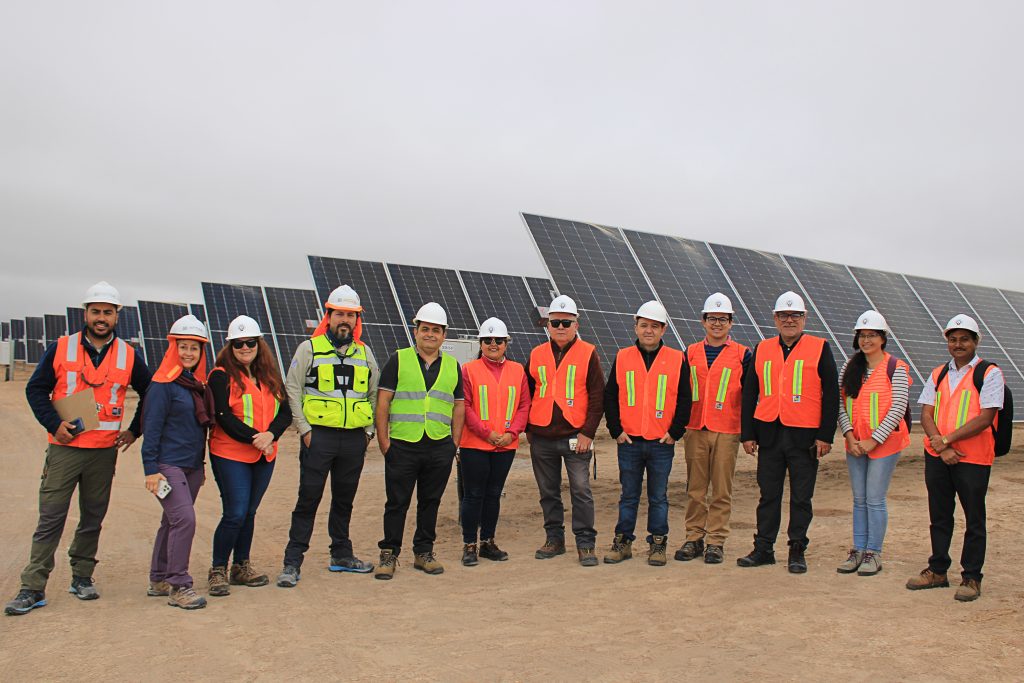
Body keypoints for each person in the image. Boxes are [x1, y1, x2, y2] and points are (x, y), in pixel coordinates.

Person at [6, 282, 151, 617]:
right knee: (51, 516)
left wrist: (134, 430)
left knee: (92, 517)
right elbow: (36, 389)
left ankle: (82, 577)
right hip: (65, 448)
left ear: (117, 315)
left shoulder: (128, 355)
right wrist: (53, 424)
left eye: (108, 312)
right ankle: (32, 586)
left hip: (103, 452)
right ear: (85, 313)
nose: (101, 318)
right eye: (96, 311)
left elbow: (150, 393)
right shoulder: (61, 348)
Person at [278, 285, 379, 587]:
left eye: (350, 315)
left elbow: (374, 393)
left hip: (353, 440)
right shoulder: (308, 348)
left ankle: (342, 554)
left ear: (356, 319)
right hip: (318, 437)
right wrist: (304, 430)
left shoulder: (365, 353)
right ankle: (292, 562)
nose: (345, 320)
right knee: (308, 499)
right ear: (329, 316)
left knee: (344, 499)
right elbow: (292, 390)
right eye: (340, 314)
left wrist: (369, 432)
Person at [738, 291, 839, 573]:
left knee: (801, 497)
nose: (790, 320)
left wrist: (825, 435)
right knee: (768, 494)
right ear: (775, 319)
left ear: (805, 318)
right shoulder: (762, 348)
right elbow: (750, 392)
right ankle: (763, 548)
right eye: (784, 315)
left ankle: (796, 549)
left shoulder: (820, 347)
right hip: (769, 433)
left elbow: (831, 394)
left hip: (804, 436)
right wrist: (748, 433)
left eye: (795, 315)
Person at [906, 315, 1004, 602]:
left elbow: (986, 416)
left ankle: (972, 577)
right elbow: (926, 412)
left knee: (974, 518)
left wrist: (947, 440)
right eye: (953, 339)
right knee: (939, 515)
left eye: (964, 339)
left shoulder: (989, 373)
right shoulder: (938, 373)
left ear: (975, 342)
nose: (958, 344)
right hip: (938, 456)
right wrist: (941, 447)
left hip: (972, 458)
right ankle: (937, 570)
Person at [374, 302, 465, 579]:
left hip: (438, 445)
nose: (430, 335)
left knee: (430, 501)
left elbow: (458, 405)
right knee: (397, 502)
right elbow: (383, 402)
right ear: (416, 332)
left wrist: (454, 443)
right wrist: (384, 443)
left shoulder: (453, 366)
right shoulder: (398, 360)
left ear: (444, 335)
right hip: (403, 445)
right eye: (425, 329)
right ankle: (389, 554)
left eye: (436, 330)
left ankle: (424, 552)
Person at [207, 316, 292, 596]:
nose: (245, 348)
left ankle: (241, 566)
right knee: (235, 512)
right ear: (230, 346)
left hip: (265, 453)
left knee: (250, 512)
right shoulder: (220, 375)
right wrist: (256, 438)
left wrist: (271, 436)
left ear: (259, 344)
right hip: (231, 453)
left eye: (250, 343)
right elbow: (223, 416)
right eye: (238, 343)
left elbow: (286, 412)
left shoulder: (269, 375)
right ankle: (218, 568)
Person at [603, 301, 690, 566]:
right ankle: (623, 542)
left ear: (663, 329)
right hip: (629, 441)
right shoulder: (623, 356)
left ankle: (658, 544)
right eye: (644, 325)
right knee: (628, 495)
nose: (648, 330)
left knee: (658, 497)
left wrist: (675, 432)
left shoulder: (677, 359)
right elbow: (611, 396)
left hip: (661, 442)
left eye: (654, 326)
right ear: (636, 327)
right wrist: (615, 429)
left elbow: (685, 398)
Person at [526, 295, 605, 567]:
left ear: (576, 324)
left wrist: (588, 433)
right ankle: (554, 540)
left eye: (566, 322)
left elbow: (598, 397)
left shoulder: (588, 353)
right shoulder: (536, 354)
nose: (560, 327)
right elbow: (528, 393)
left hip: (575, 437)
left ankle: (585, 543)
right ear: (547, 324)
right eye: (555, 322)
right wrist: (529, 430)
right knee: (548, 491)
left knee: (581, 490)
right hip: (542, 437)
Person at [142, 315, 213, 610]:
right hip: (167, 466)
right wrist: (151, 470)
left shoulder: (196, 385)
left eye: (193, 348)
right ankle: (179, 585)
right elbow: (151, 428)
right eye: (182, 347)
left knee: (170, 521)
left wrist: (200, 466)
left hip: (192, 466)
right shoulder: (162, 385)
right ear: (173, 348)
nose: (188, 353)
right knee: (185, 520)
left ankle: (158, 578)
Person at [677, 293, 751, 565]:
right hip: (696, 427)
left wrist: (748, 433)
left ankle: (716, 541)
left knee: (721, 489)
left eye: (722, 319)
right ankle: (693, 537)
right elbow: (682, 392)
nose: (717, 323)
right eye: (712, 318)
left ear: (731, 323)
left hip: (727, 430)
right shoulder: (690, 352)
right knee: (695, 489)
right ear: (703, 321)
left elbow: (748, 395)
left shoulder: (743, 355)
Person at [836, 311, 911, 576]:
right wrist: (849, 436)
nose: (866, 340)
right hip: (854, 443)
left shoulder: (896, 368)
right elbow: (840, 402)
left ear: (882, 338)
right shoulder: (850, 367)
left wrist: (873, 440)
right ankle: (858, 549)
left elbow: (898, 407)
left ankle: (873, 553)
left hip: (885, 444)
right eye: (862, 336)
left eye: (872, 335)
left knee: (874, 498)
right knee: (859, 499)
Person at [459, 317, 531, 566]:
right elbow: (465, 407)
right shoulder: (468, 370)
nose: (493, 344)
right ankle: (470, 544)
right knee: (473, 494)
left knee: (493, 494)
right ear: (480, 343)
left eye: (498, 340)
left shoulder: (518, 370)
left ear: (506, 344)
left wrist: (512, 433)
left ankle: (487, 542)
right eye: (488, 340)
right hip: (475, 444)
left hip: (506, 445)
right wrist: (486, 433)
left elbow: (524, 405)